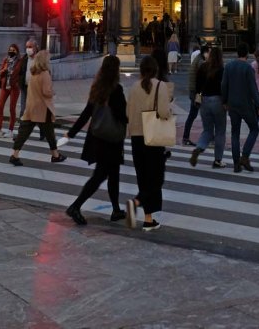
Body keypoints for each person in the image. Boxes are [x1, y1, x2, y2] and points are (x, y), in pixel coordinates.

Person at [65, 55, 128, 225]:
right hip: (112, 139)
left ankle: (116, 209)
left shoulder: (97, 88)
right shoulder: (116, 90)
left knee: (113, 174)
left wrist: (71, 133)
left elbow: (86, 113)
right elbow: (122, 115)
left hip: (98, 138)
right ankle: (75, 206)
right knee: (100, 176)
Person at [126, 54, 171, 231]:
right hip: (153, 137)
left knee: (143, 178)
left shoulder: (134, 87)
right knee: (156, 179)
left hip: (136, 137)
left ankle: (148, 219)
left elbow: (128, 112)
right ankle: (136, 202)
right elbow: (164, 113)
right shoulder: (160, 86)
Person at [9, 50, 66, 166]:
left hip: (31, 107)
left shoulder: (33, 73)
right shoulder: (45, 74)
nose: (49, 61)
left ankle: (14, 155)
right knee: (50, 133)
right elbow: (46, 92)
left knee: (24, 132)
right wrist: (53, 92)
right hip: (43, 108)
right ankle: (55, 155)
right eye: (48, 59)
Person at [221, 41, 259, 173]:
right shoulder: (248, 68)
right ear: (247, 54)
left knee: (235, 133)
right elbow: (253, 88)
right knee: (254, 129)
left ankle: (236, 163)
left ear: (237, 53)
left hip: (232, 104)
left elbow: (224, 85)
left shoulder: (229, 66)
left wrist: (224, 101)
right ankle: (245, 156)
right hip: (246, 104)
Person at [190, 46, 226, 168]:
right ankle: (217, 160)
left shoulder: (203, 67)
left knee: (207, 130)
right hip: (218, 100)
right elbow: (224, 87)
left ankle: (199, 147)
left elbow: (197, 85)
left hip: (204, 100)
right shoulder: (221, 69)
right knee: (220, 131)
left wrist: (197, 97)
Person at [0, 44, 22, 137]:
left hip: (14, 87)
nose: (11, 51)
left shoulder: (20, 61)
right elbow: (0, 71)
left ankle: (10, 130)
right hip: (5, 86)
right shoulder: (6, 60)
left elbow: (21, 74)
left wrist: (18, 83)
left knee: (12, 108)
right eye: (10, 50)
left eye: (13, 50)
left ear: (17, 51)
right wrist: (4, 70)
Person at [182, 43, 209, 145]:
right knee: (202, 114)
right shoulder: (201, 61)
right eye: (209, 53)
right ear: (205, 53)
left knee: (194, 114)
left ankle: (186, 137)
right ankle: (209, 137)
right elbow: (205, 75)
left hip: (194, 91)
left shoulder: (198, 59)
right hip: (197, 92)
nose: (209, 55)